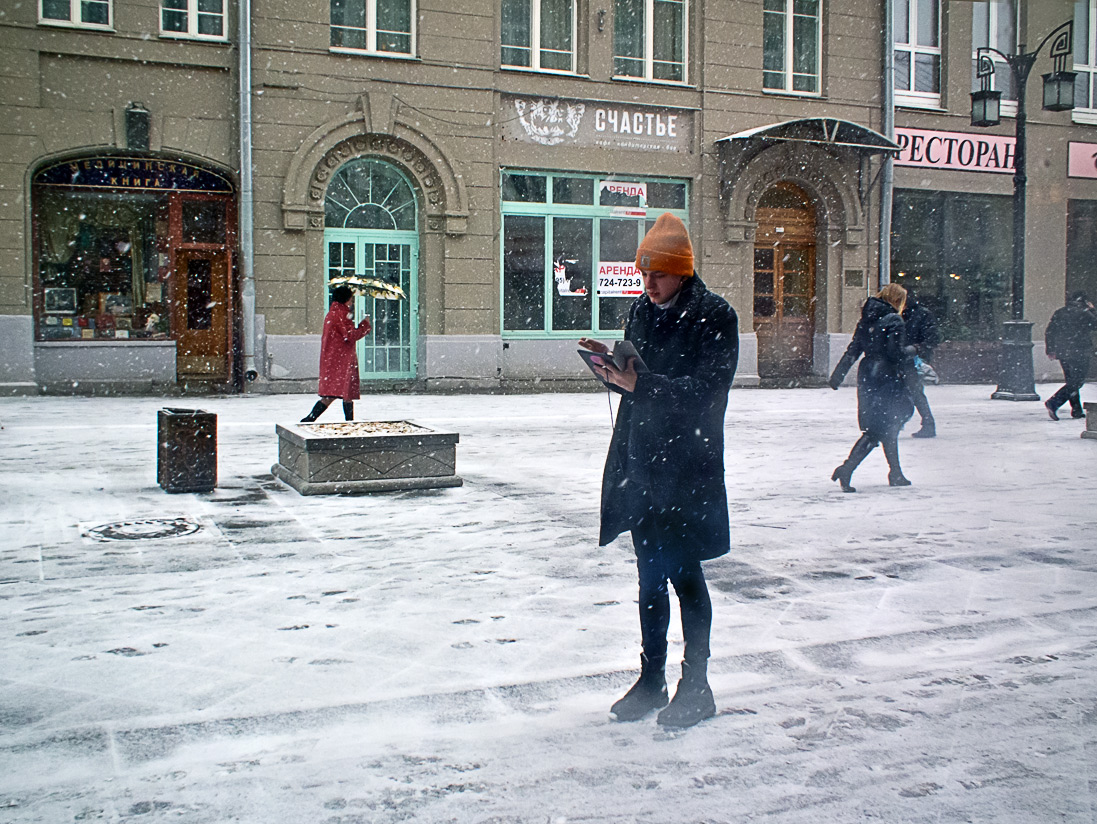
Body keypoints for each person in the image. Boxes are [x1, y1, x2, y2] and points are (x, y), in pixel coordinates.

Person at [578, 213, 739, 729]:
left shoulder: (716, 316)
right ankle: (652, 680)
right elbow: (635, 381)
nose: (648, 284)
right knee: (649, 578)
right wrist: (610, 370)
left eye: (658, 274)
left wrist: (639, 386)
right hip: (644, 464)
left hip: (687, 470)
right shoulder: (640, 311)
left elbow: (707, 395)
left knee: (685, 575)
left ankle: (698, 685)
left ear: (683, 273)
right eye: (643, 274)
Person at [828, 283, 914, 492]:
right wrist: (913, 350)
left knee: (885, 426)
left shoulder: (867, 318)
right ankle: (847, 468)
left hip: (868, 374)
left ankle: (895, 473)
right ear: (897, 300)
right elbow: (896, 353)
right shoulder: (894, 319)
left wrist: (838, 375)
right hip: (887, 376)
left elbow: (854, 349)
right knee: (880, 428)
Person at [301, 285, 372, 423]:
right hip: (341, 360)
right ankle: (313, 419)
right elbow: (350, 335)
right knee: (339, 392)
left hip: (337, 358)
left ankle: (314, 419)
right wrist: (365, 325)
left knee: (339, 393)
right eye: (351, 300)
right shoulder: (340, 315)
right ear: (345, 300)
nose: (351, 303)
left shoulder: (335, 313)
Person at [1044, 291, 1097, 421]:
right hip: (1080, 350)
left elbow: (1050, 331)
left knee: (1071, 380)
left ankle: (1077, 409)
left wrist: (1050, 349)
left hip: (1063, 351)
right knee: (1077, 381)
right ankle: (1054, 402)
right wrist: (1093, 310)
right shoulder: (1085, 313)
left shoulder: (1060, 312)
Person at [902, 294, 939, 438]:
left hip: (911, 359)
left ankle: (927, 423)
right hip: (907, 357)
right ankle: (927, 423)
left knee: (914, 391)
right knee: (914, 391)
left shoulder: (919, 314)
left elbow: (932, 338)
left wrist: (916, 349)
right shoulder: (916, 314)